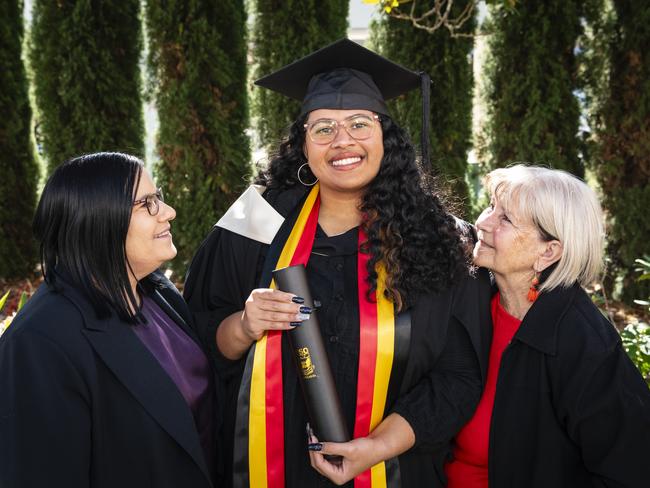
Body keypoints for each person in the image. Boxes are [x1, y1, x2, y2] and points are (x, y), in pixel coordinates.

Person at [184, 39, 492, 488]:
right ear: (302, 146)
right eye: (323, 128)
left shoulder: (438, 236)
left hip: (391, 468)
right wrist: (244, 326)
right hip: (266, 466)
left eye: (359, 124)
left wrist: (378, 447)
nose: (342, 141)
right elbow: (194, 335)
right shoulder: (257, 217)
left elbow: (459, 376)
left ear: (386, 137)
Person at [0, 152, 219, 488]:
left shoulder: (157, 292)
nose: (168, 212)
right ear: (98, 220)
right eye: (147, 203)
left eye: (158, 198)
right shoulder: (39, 343)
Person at [443, 165, 650, 487]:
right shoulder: (472, 299)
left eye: (506, 219)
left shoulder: (584, 344)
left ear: (548, 252)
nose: (482, 223)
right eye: (491, 207)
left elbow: (628, 473)